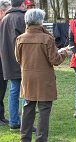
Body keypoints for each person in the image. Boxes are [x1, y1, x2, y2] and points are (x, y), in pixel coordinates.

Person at [15, 8, 68, 142]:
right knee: (44, 110)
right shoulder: (47, 38)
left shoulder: (20, 39)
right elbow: (55, 60)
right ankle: (41, 139)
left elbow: (18, 58)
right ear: (40, 22)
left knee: (28, 108)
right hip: (44, 79)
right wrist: (63, 53)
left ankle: (25, 138)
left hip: (27, 78)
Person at [0, 0, 26, 130]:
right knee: (27, 92)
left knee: (13, 91)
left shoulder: (4, 19)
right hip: (23, 61)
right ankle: (25, 123)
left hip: (8, 61)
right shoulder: (22, 17)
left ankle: (14, 122)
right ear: (22, 4)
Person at [0, 0, 10, 126]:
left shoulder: (4, 23)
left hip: (4, 62)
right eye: (8, 11)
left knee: (2, 89)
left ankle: (1, 116)